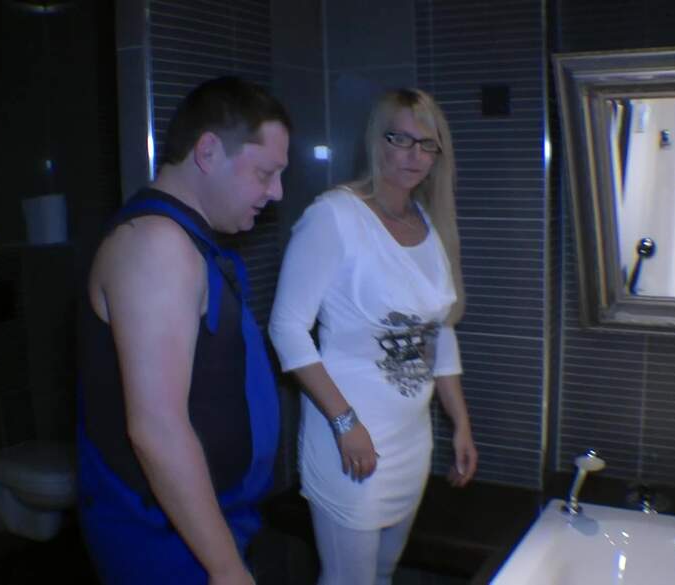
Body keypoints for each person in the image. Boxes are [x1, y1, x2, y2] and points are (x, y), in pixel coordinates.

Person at [77, 76, 290, 585]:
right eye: (266, 173)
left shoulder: (188, 240)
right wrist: (225, 567)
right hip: (164, 538)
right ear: (208, 151)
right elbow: (157, 428)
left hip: (202, 523)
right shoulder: (156, 245)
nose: (276, 192)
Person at [268, 88, 478, 585]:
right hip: (350, 438)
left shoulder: (427, 221)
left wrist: (461, 423)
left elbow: (439, 330)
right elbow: (286, 328)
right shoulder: (334, 216)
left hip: (411, 440)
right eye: (399, 138)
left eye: (426, 144)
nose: (413, 154)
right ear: (375, 140)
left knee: (383, 574)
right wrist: (345, 423)